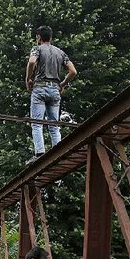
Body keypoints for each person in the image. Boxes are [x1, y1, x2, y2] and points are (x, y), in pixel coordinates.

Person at [25, 25, 77, 163]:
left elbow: (31, 62)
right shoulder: (60, 52)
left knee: (36, 123)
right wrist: (63, 84)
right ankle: (58, 153)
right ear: (51, 37)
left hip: (40, 88)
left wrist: (28, 79)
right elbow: (73, 71)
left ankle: (40, 153)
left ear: (38, 37)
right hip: (55, 90)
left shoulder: (37, 49)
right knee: (54, 124)